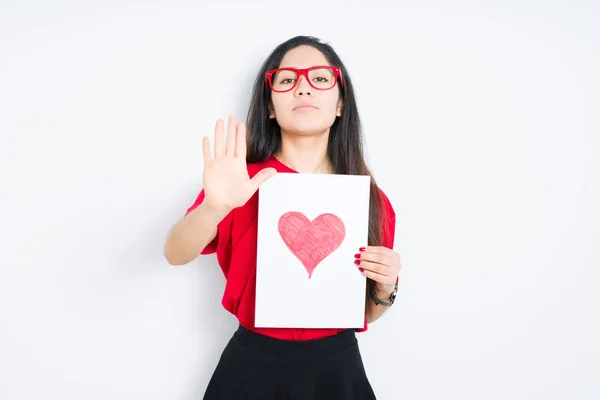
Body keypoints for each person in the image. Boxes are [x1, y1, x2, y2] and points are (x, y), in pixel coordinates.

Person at [164, 35, 402, 399]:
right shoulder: (238, 182)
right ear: (271, 106)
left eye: (320, 79)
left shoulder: (371, 200)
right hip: (252, 364)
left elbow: (365, 313)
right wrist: (215, 207)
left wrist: (386, 288)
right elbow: (175, 253)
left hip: (336, 365)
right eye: (287, 79)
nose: (303, 88)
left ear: (340, 104)